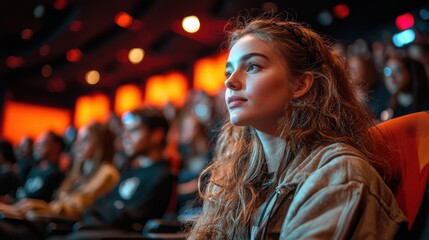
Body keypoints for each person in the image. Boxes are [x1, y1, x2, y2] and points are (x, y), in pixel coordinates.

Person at [187, 13, 407, 239]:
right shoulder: (242, 177)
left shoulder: (340, 175)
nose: (229, 81)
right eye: (228, 71)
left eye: (252, 66)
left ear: (301, 84)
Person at [59, 108, 174, 239]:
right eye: (126, 130)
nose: (125, 136)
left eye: (134, 130)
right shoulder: (129, 170)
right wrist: (114, 209)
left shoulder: (162, 175)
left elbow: (133, 220)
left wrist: (111, 210)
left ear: (156, 135)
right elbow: (97, 205)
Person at [380, 55, 429, 121]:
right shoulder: (385, 107)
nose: (391, 77)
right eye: (387, 72)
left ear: (411, 73)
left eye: (398, 71)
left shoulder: (425, 105)